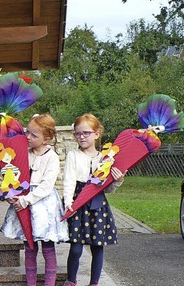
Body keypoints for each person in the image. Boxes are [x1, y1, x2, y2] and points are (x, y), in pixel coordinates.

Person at [0, 114, 69, 286]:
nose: (28, 137)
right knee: (29, 247)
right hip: (24, 202)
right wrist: (12, 194)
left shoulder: (51, 157)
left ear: (46, 139)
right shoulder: (24, 153)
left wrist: (26, 200)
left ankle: (49, 283)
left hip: (43, 205)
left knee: (47, 247)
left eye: (33, 135)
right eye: (27, 132)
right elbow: (14, 175)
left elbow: (46, 185)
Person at [62, 114, 126, 286]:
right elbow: (68, 181)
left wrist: (118, 180)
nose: (81, 137)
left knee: (98, 246)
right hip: (78, 204)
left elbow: (108, 189)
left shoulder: (105, 158)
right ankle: (71, 280)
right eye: (77, 133)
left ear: (97, 134)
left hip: (98, 205)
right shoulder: (73, 156)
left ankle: (94, 283)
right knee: (76, 247)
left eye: (86, 133)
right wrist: (68, 203)